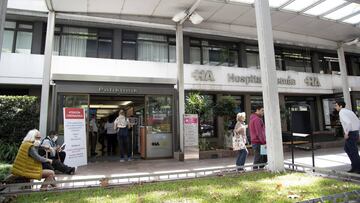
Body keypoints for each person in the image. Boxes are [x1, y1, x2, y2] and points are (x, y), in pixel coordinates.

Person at [335, 100, 360, 173]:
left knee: (353, 151)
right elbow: (358, 122)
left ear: (341, 106)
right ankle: (355, 166)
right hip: (355, 132)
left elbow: (348, 123)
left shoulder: (341, 112)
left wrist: (346, 133)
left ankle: (357, 168)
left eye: (336, 105)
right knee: (348, 149)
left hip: (350, 133)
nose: (335, 107)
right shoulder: (350, 112)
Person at [249, 105, 267, 169]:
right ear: (257, 110)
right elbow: (259, 132)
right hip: (259, 142)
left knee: (262, 158)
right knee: (259, 158)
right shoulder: (257, 119)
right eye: (262, 110)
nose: (263, 112)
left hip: (257, 142)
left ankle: (261, 170)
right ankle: (255, 171)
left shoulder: (254, 118)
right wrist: (264, 142)